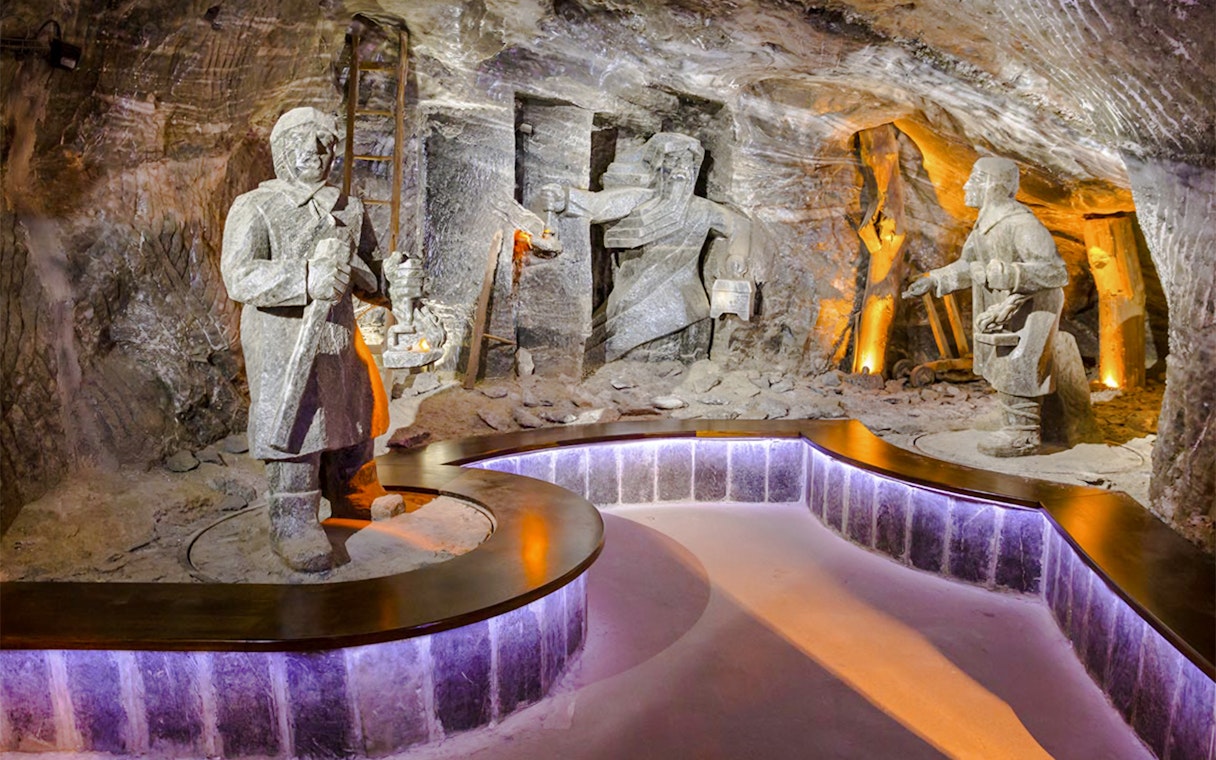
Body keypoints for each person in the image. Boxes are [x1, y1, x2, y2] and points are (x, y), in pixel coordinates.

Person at [221, 107, 404, 571]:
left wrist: (395, 280)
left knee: (356, 409)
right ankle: (294, 519)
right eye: (303, 141)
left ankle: (354, 493)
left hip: (339, 338)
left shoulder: (349, 208)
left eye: (325, 142)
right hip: (285, 340)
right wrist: (305, 277)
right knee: (299, 422)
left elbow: (369, 274)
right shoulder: (256, 206)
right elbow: (239, 275)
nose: (315, 151)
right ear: (282, 151)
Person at [903, 157, 1068, 457]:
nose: (966, 186)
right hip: (1002, 307)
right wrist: (933, 280)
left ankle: (1023, 433)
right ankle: (1010, 417)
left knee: (1018, 363)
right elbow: (969, 264)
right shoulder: (985, 226)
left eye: (974, 179)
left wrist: (1007, 274)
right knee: (999, 361)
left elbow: (1055, 272)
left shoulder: (1022, 224)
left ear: (992, 185)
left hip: (1032, 308)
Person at [539, 133, 748, 362]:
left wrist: (737, 255)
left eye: (688, 162)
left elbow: (740, 226)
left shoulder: (704, 210)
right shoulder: (639, 199)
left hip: (686, 300)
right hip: (634, 297)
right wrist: (564, 198)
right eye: (674, 160)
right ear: (659, 166)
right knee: (614, 341)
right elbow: (598, 205)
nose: (681, 168)